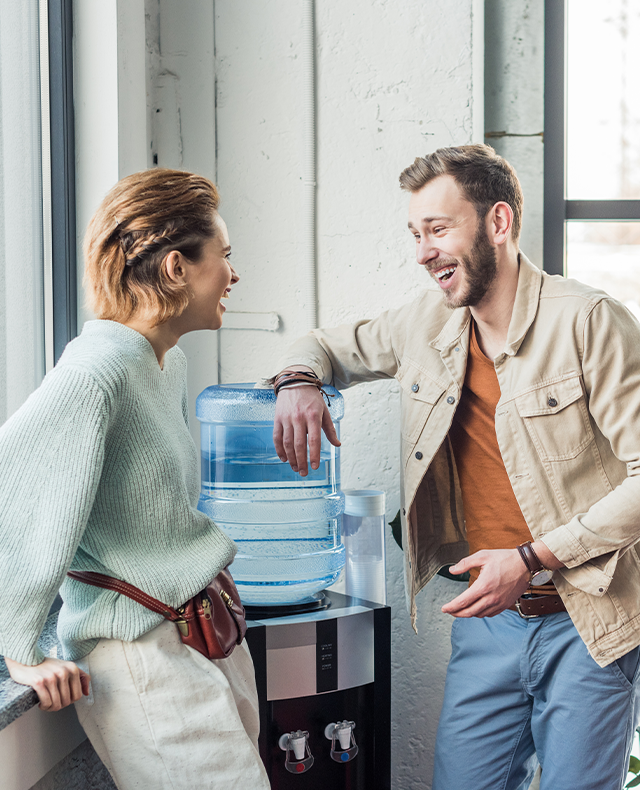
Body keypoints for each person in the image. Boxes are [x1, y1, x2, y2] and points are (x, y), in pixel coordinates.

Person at [269, 144, 640, 789]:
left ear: (498, 222)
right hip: (488, 624)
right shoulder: (427, 324)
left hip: (589, 622)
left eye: (439, 230)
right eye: (416, 234)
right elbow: (327, 345)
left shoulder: (587, 321)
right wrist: (299, 380)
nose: (423, 253)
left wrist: (530, 559)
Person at [0, 168, 271, 790]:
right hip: (144, 654)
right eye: (223, 257)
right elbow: (17, 493)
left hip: (203, 633)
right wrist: (21, 647)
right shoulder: (97, 370)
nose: (233, 275)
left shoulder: (162, 362)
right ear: (176, 267)